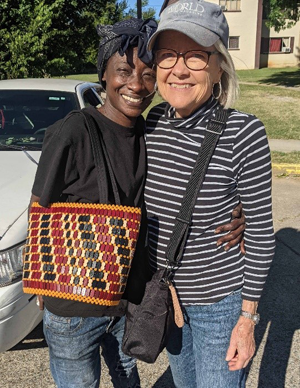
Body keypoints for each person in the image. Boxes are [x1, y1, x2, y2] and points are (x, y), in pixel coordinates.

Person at [28, 16, 244, 388]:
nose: (135, 85)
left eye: (147, 75)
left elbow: (187, 182)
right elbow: (39, 207)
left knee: (128, 378)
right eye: (123, 71)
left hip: (126, 299)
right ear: (103, 75)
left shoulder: (151, 130)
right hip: (73, 307)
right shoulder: (74, 131)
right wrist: (36, 285)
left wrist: (235, 211)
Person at [144, 1, 276, 387]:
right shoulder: (151, 123)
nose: (179, 69)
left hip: (220, 306)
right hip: (166, 300)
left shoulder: (243, 133)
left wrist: (248, 320)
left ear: (219, 66)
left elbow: (262, 237)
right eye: (167, 55)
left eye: (196, 56)